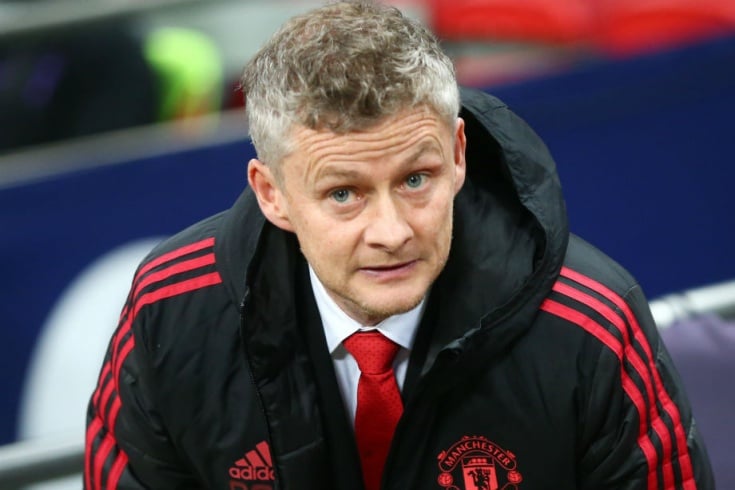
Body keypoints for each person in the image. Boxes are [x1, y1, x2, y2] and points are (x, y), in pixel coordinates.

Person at [84, 2, 714, 489]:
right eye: (344, 193)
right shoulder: (170, 312)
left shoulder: (593, 324)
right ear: (272, 194)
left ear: (458, 154)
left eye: (416, 179)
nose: (392, 232)